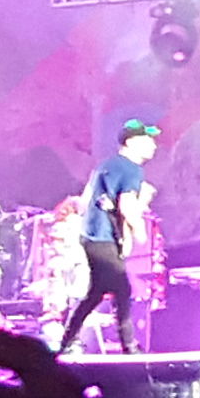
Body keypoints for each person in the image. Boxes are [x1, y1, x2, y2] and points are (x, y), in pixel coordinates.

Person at [59, 119, 156, 353]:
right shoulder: (130, 168)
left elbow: (86, 201)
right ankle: (129, 346)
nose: (154, 145)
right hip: (101, 237)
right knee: (122, 289)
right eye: (148, 139)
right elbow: (126, 205)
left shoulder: (106, 165)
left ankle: (67, 341)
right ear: (132, 142)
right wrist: (140, 231)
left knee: (97, 292)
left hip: (92, 235)